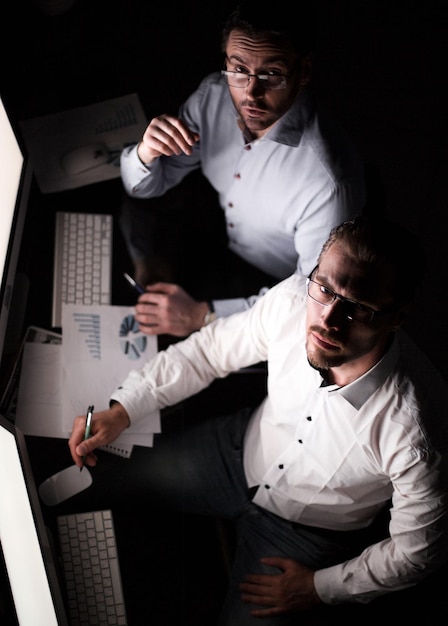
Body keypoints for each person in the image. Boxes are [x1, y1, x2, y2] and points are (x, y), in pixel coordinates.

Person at [69, 215, 448, 624]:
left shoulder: (416, 429)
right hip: (235, 453)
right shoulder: (291, 301)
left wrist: (320, 588)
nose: (328, 320)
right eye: (324, 289)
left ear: (397, 317)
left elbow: (418, 550)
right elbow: (210, 351)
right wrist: (124, 408)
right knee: (86, 480)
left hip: (305, 536)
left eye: (359, 308)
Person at [119, 0, 367, 337]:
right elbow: (147, 187)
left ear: (304, 72)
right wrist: (146, 153)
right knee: (134, 202)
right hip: (215, 223)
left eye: (272, 75)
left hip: (268, 279)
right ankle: (155, 272)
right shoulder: (213, 96)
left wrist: (200, 316)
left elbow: (306, 303)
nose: (251, 93)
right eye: (239, 70)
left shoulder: (329, 185)